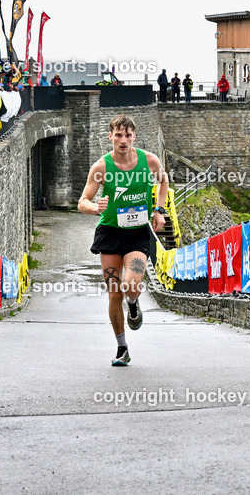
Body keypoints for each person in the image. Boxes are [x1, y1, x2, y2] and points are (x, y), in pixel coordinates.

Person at [78, 115, 169, 367]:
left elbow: (163, 181)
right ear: (110, 137)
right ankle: (122, 348)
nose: (123, 140)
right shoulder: (101, 168)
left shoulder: (149, 160)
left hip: (138, 233)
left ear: (134, 137)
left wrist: (159, 210)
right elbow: (82, 202)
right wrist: (96, 207)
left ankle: (134, 301)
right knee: (113, 293)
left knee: (131, 283)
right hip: (110, 233)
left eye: (127, 135)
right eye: (118, 135)